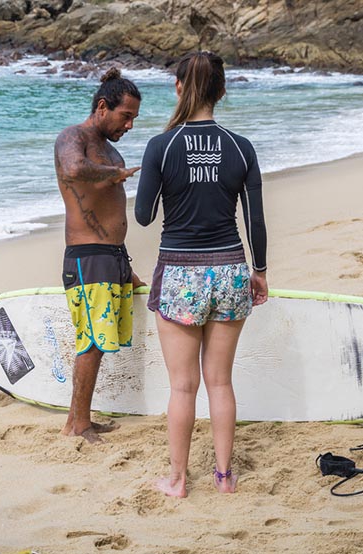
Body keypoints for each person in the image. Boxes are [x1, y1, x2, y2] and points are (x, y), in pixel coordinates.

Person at [134, 51, 268, 496]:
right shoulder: (240, 146)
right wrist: (260, 272)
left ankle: (177, 480)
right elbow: (255, 222)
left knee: (183, 387)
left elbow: (144, 216)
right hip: (231, 270)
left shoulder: (161, 145)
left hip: (179, 274)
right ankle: (225, 478)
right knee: (220, 382)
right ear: (222, 91)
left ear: (177, 87)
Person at [55, 68, 146, 444]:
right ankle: (76, 424)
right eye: (126, 116)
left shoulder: (111, 149)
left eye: (134, 119)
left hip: (113, 257)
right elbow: (73, 168)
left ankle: (85, 418)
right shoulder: (73, 137)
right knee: (90, 341)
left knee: (102, 340)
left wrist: (128, 269)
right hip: (86, 256)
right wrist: (110, 175)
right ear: (103, 106)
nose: (129, 125)